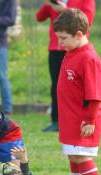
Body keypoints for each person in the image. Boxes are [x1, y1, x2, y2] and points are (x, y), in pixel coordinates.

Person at [54, 8, 101, 175]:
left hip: (83, 120)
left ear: (79, 35)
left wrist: (90, 120)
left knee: (83, 157)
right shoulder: (71, 52)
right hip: (70, 118)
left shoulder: (89, 58)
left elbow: (95, 95)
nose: (60, 42)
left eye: (64, 38)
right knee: (73, 157)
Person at [36, 0, 95, 132]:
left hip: (74, 49)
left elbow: (87, 21)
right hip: (54, 50)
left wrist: (65, 10)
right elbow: (39, 17)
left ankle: (78, 120)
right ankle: (56, 120)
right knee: (57, 85)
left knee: (74, 87)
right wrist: (49, 4)